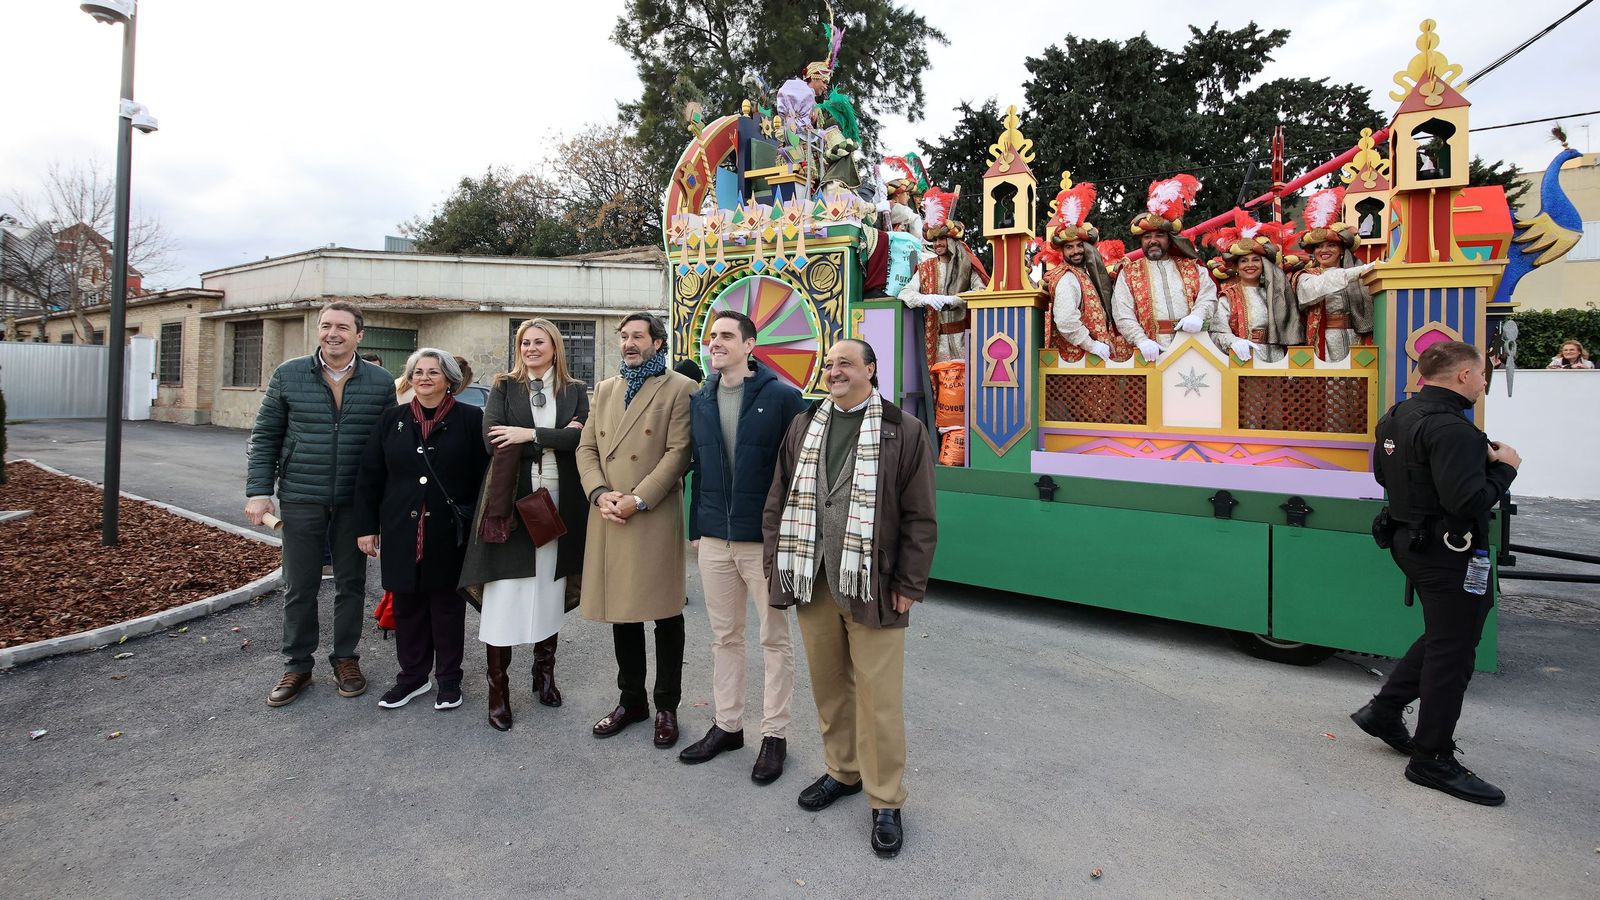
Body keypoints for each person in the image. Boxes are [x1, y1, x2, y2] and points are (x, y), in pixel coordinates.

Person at [763, 338, 937, 859]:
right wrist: (779, 563)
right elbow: (779, 498)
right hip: (813, 579)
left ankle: (886, 799)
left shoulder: (903, 430)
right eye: (830, 363)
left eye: (845, 363)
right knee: (830, 687)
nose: (834, 370)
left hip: (874, 585)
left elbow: (920, 517)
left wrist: (909, 584)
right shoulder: (804, 424)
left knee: (879, 698)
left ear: (871, 369)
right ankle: (843, 771)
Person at [1354, 340, 1520, 805]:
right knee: (1454, 651)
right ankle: (1431, 758)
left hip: (1410, 541)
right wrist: (1506, 470)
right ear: (1464, 376)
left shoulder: (1396, 417)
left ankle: (1384, 711)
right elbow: (1466, 502)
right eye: (1483, 375)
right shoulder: (1455, 430)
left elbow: (1384, 476)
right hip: (1450, 550)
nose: (1484, 382)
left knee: (1446, 635)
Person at [679, 310, 808, 783]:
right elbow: (699, 467)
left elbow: (799, 472)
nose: (716, 343)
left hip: (763, 543)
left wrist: (790, 537)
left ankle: (774, 736)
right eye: (712, 336)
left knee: (774, 639)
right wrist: (698, 529)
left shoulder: (781, 397)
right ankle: (727, 725)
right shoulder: (701, 399)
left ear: (750, 345)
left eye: (727, 336)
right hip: (715, 539)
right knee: (724, 638)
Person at [246, 301, 396, 707]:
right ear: (318, 331)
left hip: (355, 501)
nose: (333, 333)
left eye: (342, 327)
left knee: (352, 584)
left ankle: (345, 659)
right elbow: (265, 436)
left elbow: (389, 446)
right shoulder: (289, 374)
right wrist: (259, 491)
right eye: (326, 326)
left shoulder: (380, 381)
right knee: (299, 585)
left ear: (359, 336)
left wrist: (386, 504)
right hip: (300, 496)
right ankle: (297, 665)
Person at [456, 319, 590, 731]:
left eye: (539, 342)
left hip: (558, 501)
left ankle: (544, 674)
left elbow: (579, 442)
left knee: (547, 589)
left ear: (555, 347)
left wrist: (526, 433)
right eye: (525, 342)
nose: (531, 348)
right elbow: (492, 439)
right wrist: (551, 435)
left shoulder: (575, 390)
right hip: (509, 503)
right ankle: (499, 689)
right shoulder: (503, 386)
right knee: (507, 591)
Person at [577, 313, 697, 748]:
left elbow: (679, 451)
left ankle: (667, 705)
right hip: (608, 511)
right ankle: (631, 700)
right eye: (624, 336)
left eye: (638, 336)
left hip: (652, 512)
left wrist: (638, 497)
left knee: (665, 611)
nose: (629, 343)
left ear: (658, 342)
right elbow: (587, 447)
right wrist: (599, 493)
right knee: (621, 610)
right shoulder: (606, 389)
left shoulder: (681, 389)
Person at [353, 349, 488, 710]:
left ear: (449, 380)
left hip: (449, 532)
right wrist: (367, 528)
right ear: (410, 379)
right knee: (408, 605)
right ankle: (412, 678)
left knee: (446, 607)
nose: (424, 378)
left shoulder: (471, 419)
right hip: (400, 530)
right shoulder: (391, 420)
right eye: (418, 372)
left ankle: (448, 680)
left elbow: (483, 478)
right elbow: (369, 476)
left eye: (433, 372)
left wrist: (478, 523)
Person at [1111, 175, 1242, 361]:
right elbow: (1122, 312)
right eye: (1147, 237)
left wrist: (1198, 316)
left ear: (1169, 238)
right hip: (1149, 352)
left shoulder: (1193, 268)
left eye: (1159, 235)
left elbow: (1208, 296)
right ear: (1141, 241)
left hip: (1193, 348)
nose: (1153, 241)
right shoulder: (1129, 273)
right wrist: (1141, 341)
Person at [898, 186, 988, 368]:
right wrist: (927, 298)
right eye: (935, 240)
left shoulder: (966, 264)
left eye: (942, 239)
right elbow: (905, 294)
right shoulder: (926, 268)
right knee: (941, 390)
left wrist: (955, 300)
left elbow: (982, 291)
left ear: (952, 241)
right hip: (937, 342)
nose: (938, 244)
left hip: (966, 338)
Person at [1040, 181, 1129, 362]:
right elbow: (1065, 321)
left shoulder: (1086, 274)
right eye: (1069, 247)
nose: (1076, 251)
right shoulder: (1067, 277)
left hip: (1090, 360)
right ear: (1062, 252)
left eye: (1080, 246)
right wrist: (1091, 345)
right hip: (1078, 361)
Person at [1205, 212, 1300, 363]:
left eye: (1256, 260)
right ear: (1236, 266)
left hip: (1278, 359)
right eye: (1244, 261)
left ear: (1264, 264)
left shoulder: (1278, 292)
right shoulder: (1228, 296)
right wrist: (1233, 342)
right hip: (1243, 359)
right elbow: (1217, 332)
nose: (1250, 265)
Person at [1294, 187, 1375, 362]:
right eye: (1318, 246)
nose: (1323, 250)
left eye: (1331, 245)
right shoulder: (1306, 276)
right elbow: (1320, 286)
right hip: (1325, 342)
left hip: (1357, 338)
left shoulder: (1360, 273)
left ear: (1341, 250)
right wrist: (1363, 270)